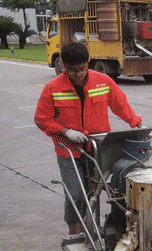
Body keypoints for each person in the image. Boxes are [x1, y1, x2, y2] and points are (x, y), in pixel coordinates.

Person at [35, 42, 142, 236]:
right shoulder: (52, 88)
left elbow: (120, 105)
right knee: (76, 195)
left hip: (98, 148)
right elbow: (42, 119)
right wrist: (66, 131)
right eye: (72, 70)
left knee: (100, 192)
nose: (78, 74)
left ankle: (91, 231)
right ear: (63, 66)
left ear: (88, 62)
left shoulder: (103, 81)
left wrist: (136, 123)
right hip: (69, 150)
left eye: (82, 69)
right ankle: (74, 236)